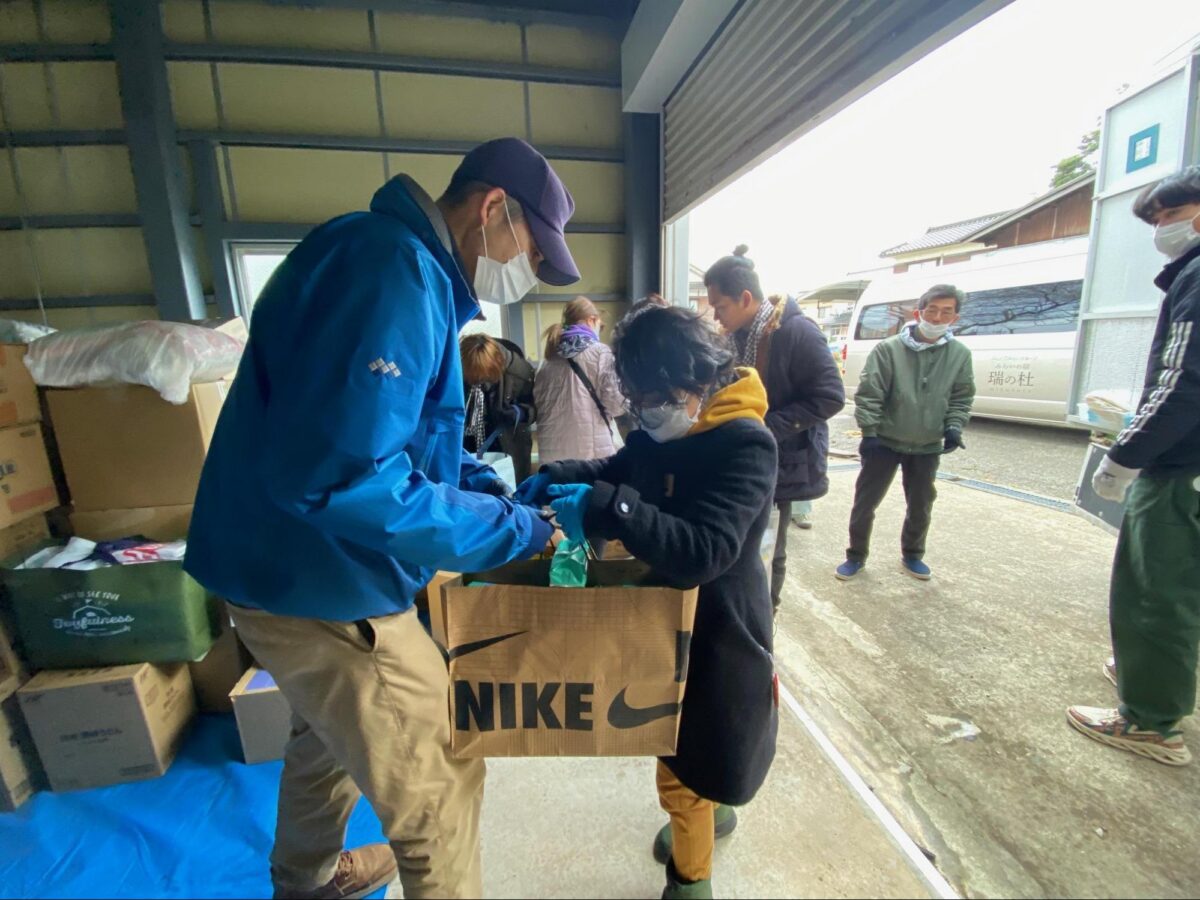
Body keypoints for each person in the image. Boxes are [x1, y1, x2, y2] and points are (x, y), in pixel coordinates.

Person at [184, 137, 577, 900]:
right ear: (493, 208)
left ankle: (306, 880)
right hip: (324, 582)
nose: (526, 273)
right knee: (441, 783)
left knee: (326, 738)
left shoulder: (395, 263)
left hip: (275, 565)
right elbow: (348, 476)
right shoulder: (392, 274)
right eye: (531, 251)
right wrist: (512, 532)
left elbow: (403, 441)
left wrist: (495, 495)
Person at [516, 305, 778, 899]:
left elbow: (705, 551)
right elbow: (620, 465)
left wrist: (613, 506)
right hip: (665, 616)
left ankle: (691, 879)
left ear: (698, 380)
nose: (648, 410)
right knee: (675, 738)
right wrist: (559, 472)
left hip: (719, 622)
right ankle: (706, 810)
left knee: (691, 761)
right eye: (637, 398)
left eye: (658, 396)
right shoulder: (658, 431)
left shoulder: (745, 445)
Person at [1068, 166, 1200, 766]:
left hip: (1181, 469)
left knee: (1155, 590)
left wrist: (1125, 457)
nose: (1162, 229)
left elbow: (1180, 383)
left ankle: (1149, 721)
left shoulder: (1196, 277)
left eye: (1170, 215)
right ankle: (1154, 675)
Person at [706, 247, 845, 611]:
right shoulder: (738, 336)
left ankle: (767, 615)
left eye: (720, 307)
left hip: (782, 458)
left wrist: (765, 426)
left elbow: (830, 397)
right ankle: (746, 606)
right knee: (746, 539)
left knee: (769, 546)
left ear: (745, 298)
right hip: (745, 453)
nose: (717, 318)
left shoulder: (796, 332)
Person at [836, 284, 975, 582]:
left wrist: (953, 426)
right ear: (918, 313)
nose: (937, 318)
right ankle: (856, 555)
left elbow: (961, 396)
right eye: (932, 310)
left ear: (955, 318)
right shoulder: (889, 349)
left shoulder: (959, 354)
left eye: (946, 312)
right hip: (885, 441)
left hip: (927, 445)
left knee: (922, 503)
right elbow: (870, 393)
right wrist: (869, 432)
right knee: (866, 502)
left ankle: (913, 554)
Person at [532, 295, 627, 465]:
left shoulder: (547, 361)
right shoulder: (600, 353)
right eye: (601, 325)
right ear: (592, 320)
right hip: (590, 459)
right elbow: (616, 405)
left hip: (552, 461)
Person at [460, 333, 536, 483]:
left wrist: (519, 413)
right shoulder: (458, 370)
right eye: (473, 378)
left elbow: (538, 406)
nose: (478, 382)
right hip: (468, 448)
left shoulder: (519, 372)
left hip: (509, 449)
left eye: (483, 377)